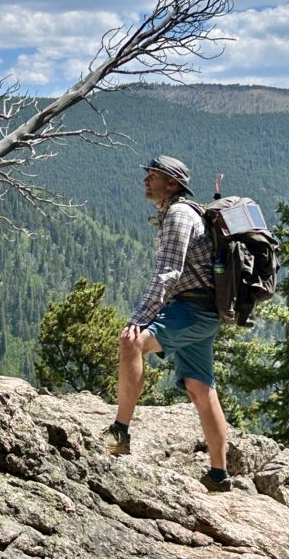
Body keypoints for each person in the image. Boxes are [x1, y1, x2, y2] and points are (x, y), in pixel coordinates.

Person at [103, 155, 231, 492]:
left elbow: (167, 273)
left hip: (191, 310)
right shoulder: (183, 213)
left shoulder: (178, 215)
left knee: (131, 341)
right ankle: (219, 474)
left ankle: (119, 434)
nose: (146, 180)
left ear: (172, 183)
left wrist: (139, 318)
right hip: (203, 312)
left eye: (153, 175)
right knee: (200, 388)